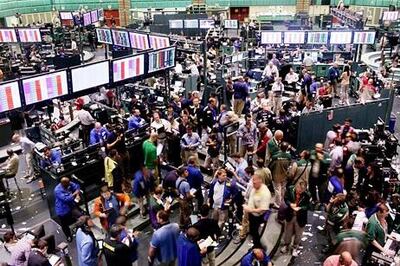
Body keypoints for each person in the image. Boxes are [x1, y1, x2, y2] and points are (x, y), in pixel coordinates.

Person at [280, 181, 311, 257]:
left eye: (302, 189)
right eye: (299, 188)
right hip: (290, 215)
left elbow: (308, 206)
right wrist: (290, 204)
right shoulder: (290, 189)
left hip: (300, 217)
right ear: (296, 186)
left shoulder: (307, 195)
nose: (300, 191)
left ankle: (295, 247)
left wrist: (300, 208)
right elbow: (286, 198)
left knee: (298, 234)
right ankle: (286, 245)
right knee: (288, 232)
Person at [243, 174, 271, 248]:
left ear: (260, 181)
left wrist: (250, 209)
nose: (253, 184)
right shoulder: (254, 187)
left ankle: (259, 247)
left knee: (256, 232)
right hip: (251, 214)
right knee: (252, 230)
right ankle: (256, 244)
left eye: (254, 183)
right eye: (253, 182)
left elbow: (263, 209)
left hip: (258, 216)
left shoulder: (265, 193)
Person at [54, 176, 81, 241]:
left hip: (71, 206)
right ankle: (68, 236)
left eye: (69, 183)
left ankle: (80, 230)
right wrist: (75, 193)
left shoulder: (68, 182)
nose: (69, 185)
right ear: (63, 184)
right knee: (64, 224)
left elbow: (77, 186)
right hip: (62, 209)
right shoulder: (57, 190)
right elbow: (66, 199)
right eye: (68, 184)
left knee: (80, 216)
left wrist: (77, 195)